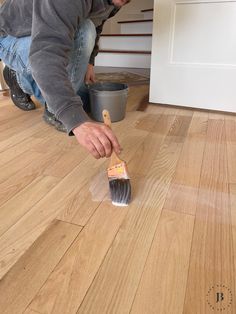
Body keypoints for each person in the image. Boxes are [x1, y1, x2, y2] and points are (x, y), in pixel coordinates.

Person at [0, 0, 131, 159]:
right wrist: (75, 119)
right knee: (84, 30)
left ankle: (35, 87)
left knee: (83, 101)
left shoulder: (116, 2)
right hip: (8, 36)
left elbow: (98, 23)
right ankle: (18, 79)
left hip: (41, 29)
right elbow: (45, 56)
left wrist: (90, 62)